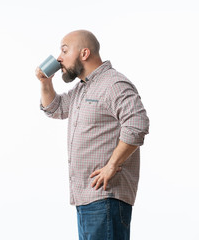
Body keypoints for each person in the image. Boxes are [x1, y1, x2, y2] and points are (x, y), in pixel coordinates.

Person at [35, 30, 149, 240]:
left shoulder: (113, 84)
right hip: (87, 198)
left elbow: (137, 124)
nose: (59, 57)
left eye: (64, 50)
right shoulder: (84, 88)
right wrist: (45, 82)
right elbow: (55, 108)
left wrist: (112, 165)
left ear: (84, 53)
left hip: (106, 197)